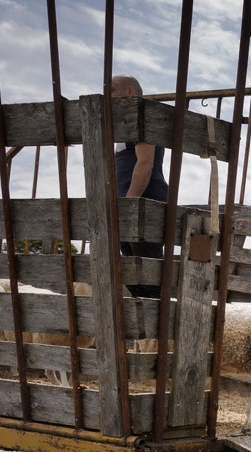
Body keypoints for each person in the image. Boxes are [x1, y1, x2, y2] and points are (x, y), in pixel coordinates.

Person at [110, 74, 169, 297]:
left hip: (142, 203)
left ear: (130, 92)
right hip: (128, 203)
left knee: (147, 270)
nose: (108, 95)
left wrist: (129, 204)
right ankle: (144, 326)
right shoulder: (126, 124)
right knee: (133, 269)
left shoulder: (143, 116)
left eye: (112, 90)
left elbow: (145, 163)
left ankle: (154, 326)